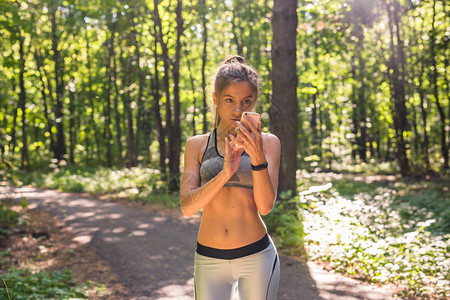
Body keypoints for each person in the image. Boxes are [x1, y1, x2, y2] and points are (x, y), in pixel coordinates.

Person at [180, 55, 281, 300]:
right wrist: (226, 172)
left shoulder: (268, 143)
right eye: (229, 100)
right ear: (216, 100)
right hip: (208, 258)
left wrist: (257, 158)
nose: (238, 109)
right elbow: (187, 207)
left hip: (256, 255)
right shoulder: (197, 145)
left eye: (247, 101)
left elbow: (266, 207)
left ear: (254, 101)